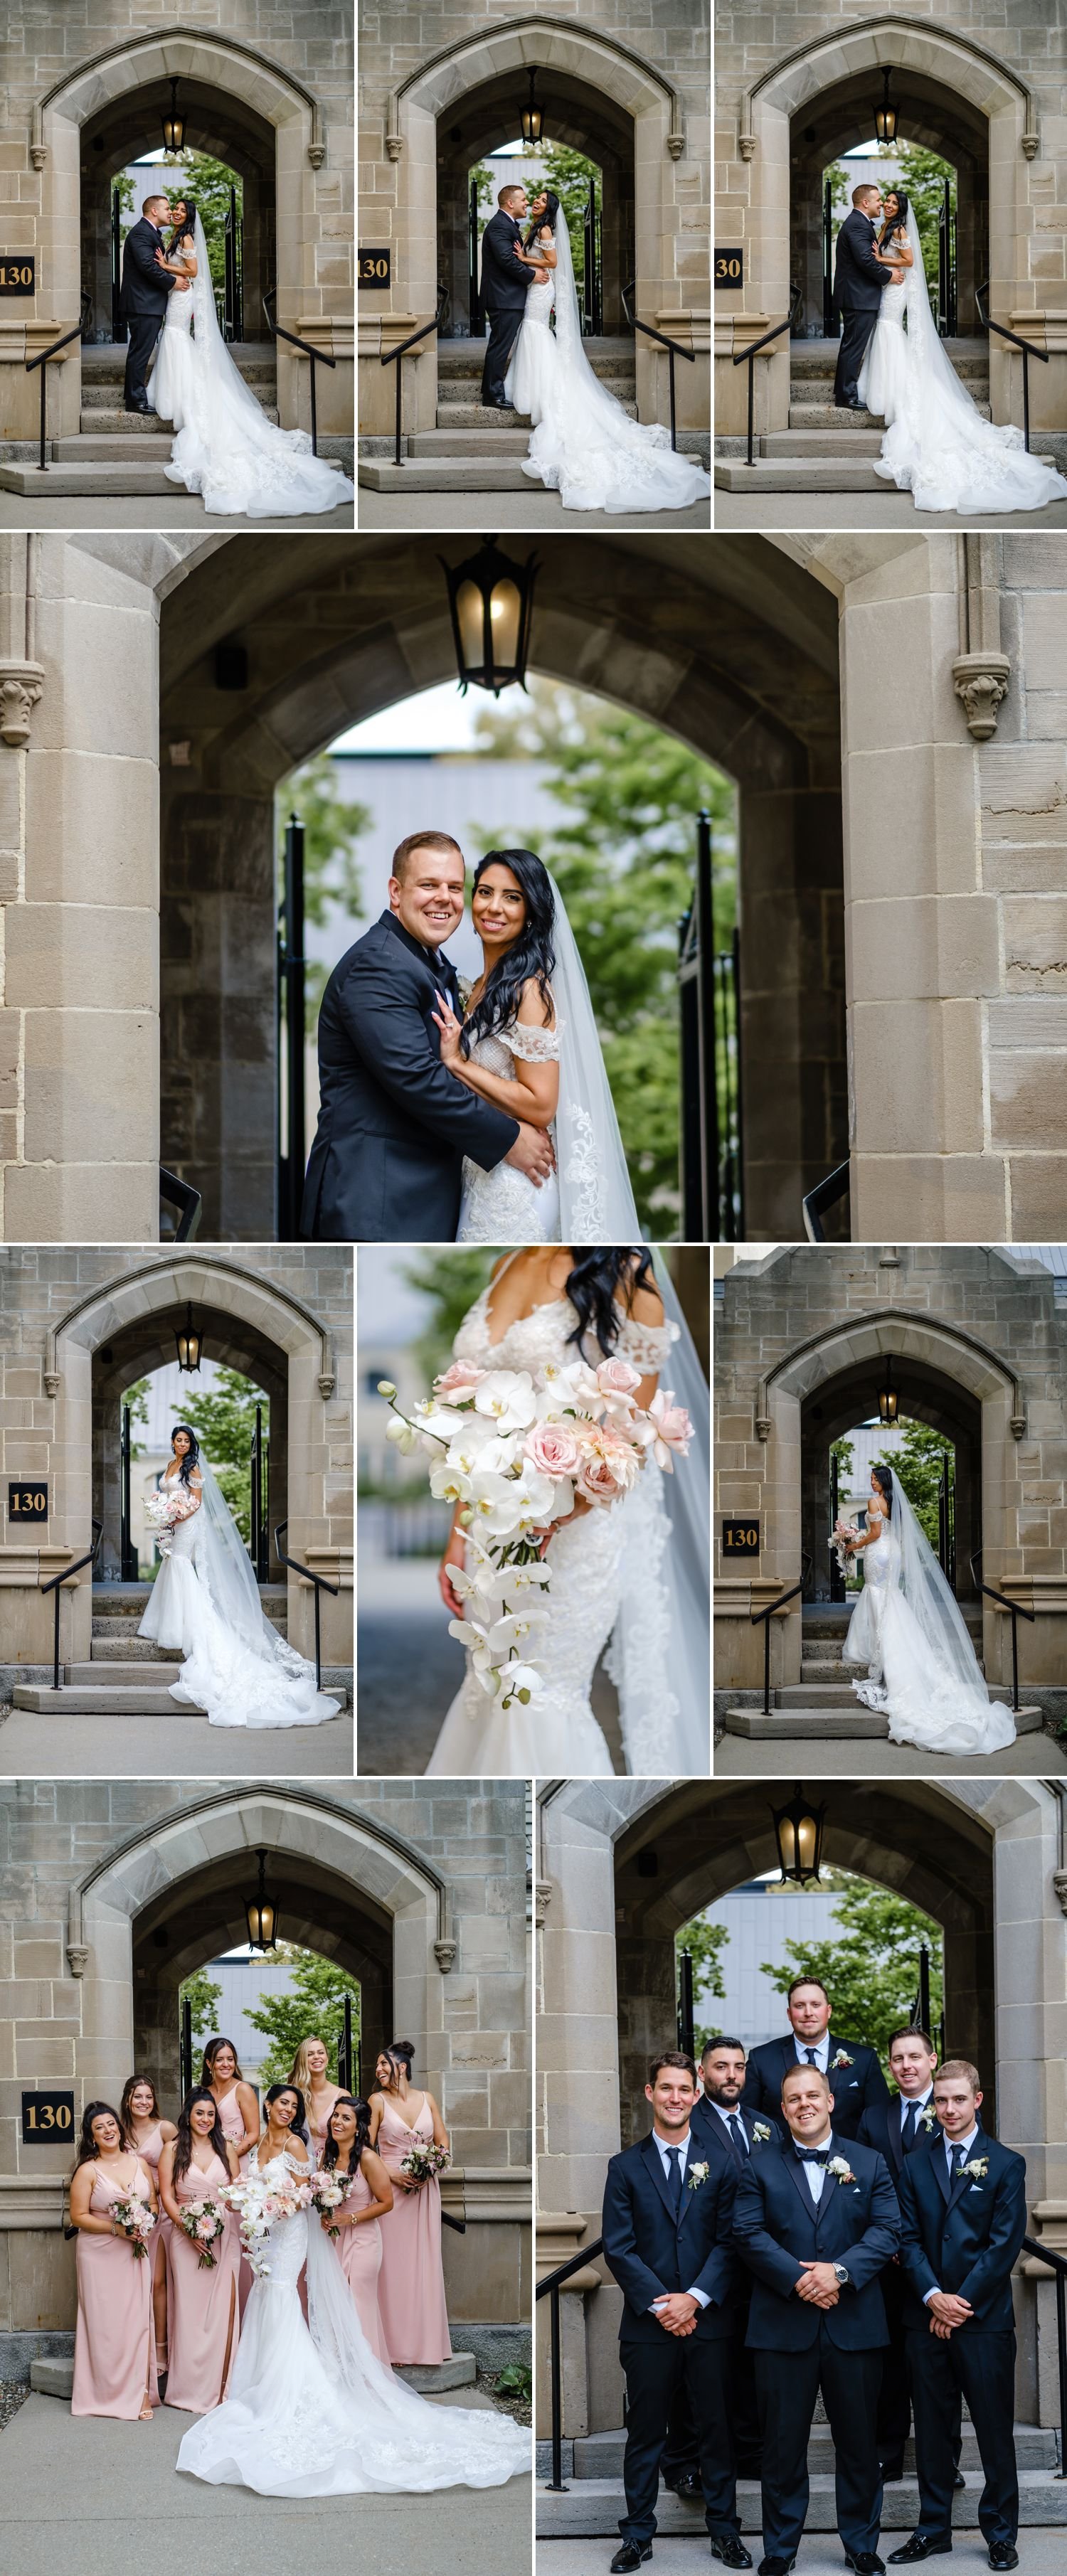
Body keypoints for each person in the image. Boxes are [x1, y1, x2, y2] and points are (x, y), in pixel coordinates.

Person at [426, 1246, 709, 1777]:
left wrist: (562, 1512)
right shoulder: (506, 1261)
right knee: (488, 1677)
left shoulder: (626, 1276)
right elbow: (474, 1427)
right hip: (491, 1525)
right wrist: (458, 1535)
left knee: (544, 1689)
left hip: (575, 1531)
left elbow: (633, 1434)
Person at [176, 2081, 529, 2495]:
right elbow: (265, 2188)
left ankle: (296, 2385)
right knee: (266, 2294)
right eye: (282, 2104)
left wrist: (278, 2204)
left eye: (294, 2105)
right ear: (266, 2105)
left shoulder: (298, 2146)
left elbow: (305, 2195)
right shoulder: (257, 2151)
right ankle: (263, 2380)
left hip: (288, 2235)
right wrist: (250, 2202)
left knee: (283, 2294)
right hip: (265, 2237)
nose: (288, 2110)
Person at [301, 833, 552, 1242]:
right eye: (429, 885)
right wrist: (508, 1138)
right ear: (396, 892)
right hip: (377, 1199)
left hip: (420, 1196)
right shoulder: (378, 965)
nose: (445, 898)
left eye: (454, 887)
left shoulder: (429, 964)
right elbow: (416, 1077)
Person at [732, 2060, 900, 2576]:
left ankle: (861, 2545)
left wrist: (840, 2273)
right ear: (782, 2111)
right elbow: (747, 2232)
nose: (804, 2104)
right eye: (793, 2099)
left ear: (830, 2101)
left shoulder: (869, 2163)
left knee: (858, 2445)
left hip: (855, 2327)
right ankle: (780, 2550)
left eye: (813, 2095)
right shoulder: (756, 2166)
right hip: (782, 2327)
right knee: (782, 2448)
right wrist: (802, 2279)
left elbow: (888, 2229)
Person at [430, 846, 641, 1242]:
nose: (494, 907)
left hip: (518, 1184)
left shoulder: (530, 991)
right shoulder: (477, 988)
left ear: (531, 913)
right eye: (486, 892)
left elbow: (542, 1105)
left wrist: (459, 1064)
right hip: (480, 1173)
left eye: (513, 898)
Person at [600, 2050, 750, 2576]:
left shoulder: (724, 2162)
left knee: (717, 2429)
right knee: (645, 2433)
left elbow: (731, 2241)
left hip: (709, 2323)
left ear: (697, 2094)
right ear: (650, 2093)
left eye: (685, 2089)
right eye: (666, 2088)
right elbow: (619, 2248)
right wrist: (666, 2303)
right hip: (649, 2326)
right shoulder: (624, 2167)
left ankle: (726, 2533)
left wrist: (696, 2299)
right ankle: (637, 2535)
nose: (676, 2097)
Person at [499, 191, 711, 515]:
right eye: (534, 199)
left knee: (535, 329)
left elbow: (553, 263)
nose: (535, 202)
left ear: (549, 207)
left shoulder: (544, 230)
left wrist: (526, 260)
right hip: (535, 287)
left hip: (541, 287)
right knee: (532, 331)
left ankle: (541, 391)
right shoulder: (535, 228)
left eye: (540, 199)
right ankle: (534, 387)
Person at [855, 190, 1067, 513]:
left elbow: (909, 261)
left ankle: (895, 390)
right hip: (887, 287)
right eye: (886, 201)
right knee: (885, 330)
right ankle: (888, 387)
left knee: (888, 328)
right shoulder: (883, 227)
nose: (887, 205)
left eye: (894, 203)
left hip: (895, 289)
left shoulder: (898, 229)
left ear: (901, 209)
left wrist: (883, 260)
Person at [893, 2060, 1026, 2573]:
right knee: (930, 2429)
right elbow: (907, 2237)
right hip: (925, 2320)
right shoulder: (913, 2163)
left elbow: (1002, 2245)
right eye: (940, 2101)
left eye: (957, 2100)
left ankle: (999, 2532)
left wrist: (958, 2304)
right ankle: (932, 2530)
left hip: (983, 2322)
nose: (947, 2109)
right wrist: (931, 2297)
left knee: (994, 2431)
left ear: (978, 2100)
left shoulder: (1007, 2164)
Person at [140, 201, 354, 517]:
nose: (176, 213)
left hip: (182, 295)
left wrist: (167, 268)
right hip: (175, 294)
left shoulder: (185, 239)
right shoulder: (172, 237)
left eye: (182, 211)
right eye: (174, 210)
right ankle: (176, 392)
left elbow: (194, 272)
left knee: (174, 336)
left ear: (190, 217)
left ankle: (180, 397)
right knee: (174, 339)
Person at [138, 1423, 342, 1728]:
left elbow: (195, 1500)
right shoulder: (170, 1465)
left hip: (188, 1523)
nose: (182, 1444)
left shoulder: (192, 1466)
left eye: (186, 1440)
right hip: (173, 1524)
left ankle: (187, 1622)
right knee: (172, 1562)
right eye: (178, 1440)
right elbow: (167, 1494)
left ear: (191, 1443)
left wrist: (176, 1515)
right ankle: (172, 1619)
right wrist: (163, 1513)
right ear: (172, 1442)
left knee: (180, 1561)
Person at [842, 1465, 1016, 1755]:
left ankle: (876, 1646)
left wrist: (852, 1545)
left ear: (883, 1481)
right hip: (892, 1552)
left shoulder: (874, 1502)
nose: (871, 1483)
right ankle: (882, 1642)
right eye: (870, 1479)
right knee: (889, 1595)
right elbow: (886, 1529)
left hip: (878, 1552)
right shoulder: (893, 1502)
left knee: (875, 1592)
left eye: (874, 1478)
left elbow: (874, 1534)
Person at [857, 2027, 952, 2486]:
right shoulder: (874, 2117)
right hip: (886, 2268)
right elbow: (858, 2185)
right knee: (890, 2366)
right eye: (898, 2059)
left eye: (915, 2056)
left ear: (932, 2061)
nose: (906, 2065)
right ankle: (886, 2456)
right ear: (890, 2067)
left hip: (938, 2265)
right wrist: (886, 2243)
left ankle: (945, 2460)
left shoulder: (951, 2110)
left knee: (939, 2368)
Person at [70, 2102, 159, 2420]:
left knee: (136, 2320)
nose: (108, 2131)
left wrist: (146, 2222)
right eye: (100, 2128)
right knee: (105, 2325)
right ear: (92, 2137)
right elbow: (78, 2216)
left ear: (119, 2128)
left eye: (111, 2124)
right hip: (99, 2254)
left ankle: (140, 2393)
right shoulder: (87, 2171)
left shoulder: (140, 2163)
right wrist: (117, 2228)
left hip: (135, 2251)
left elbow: (152, 2202)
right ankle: (103, 2393)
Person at [368, 2043, 452, 2365]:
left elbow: (442, 2141)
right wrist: (391, 2174)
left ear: (401, 2068)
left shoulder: (427, 2099)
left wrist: (430, 2166)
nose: (379, 2070)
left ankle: (424, 2345)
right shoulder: (377, 2101)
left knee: (423, 2264)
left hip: (425, 2192)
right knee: (392, 2266)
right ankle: (392, 2346)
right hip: (391, 2192)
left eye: (383, 2064)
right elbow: (365, 2145)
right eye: (377, 2065)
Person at [158, 2089, 242, 2412]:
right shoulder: (172, 2149)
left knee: (223, 2310)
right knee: (190, 2313)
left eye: (211, 2115)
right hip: (185, 2234)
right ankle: (188, 2389)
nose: (206, 2120)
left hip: (224, 2235)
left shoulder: (227, 2149)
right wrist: (187, 2229)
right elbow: (166, 2194)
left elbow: (235, 2191)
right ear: (188, 2115)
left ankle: (222, 2386)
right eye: (200, 2114)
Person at [742, 1976, 890, 2139]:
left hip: (851, 2161)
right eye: (800, 2006)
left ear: (828, 2011)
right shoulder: (762, 2059)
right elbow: (747, 2119)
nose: (808, 2013)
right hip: (782, 2161)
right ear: (789, 2014)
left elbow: (880, 2121)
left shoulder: (863, 2059)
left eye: (815, 2005)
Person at [319, 2094, 394, 2363]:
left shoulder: (368, 2159)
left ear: (359, 2127)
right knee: (334, 2306)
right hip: (334, 2239)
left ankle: (367, 2374)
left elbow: (387, 2203)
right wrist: (325, 2216)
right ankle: (340, 2372)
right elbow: (323, 2198)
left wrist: (349, 2220)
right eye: (336, 2115)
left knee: (359, 2305)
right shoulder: (327, 2157)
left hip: (363, 2239)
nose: (337, 2122)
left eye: (345, 2118)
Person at [119, 2075, 177, 2387]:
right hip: (128, 2216)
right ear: (128, 2098)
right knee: (131, 2284)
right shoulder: (118, 2129)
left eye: (149, 2097)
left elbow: (184, 2162)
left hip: (161, 2214)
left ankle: (162, 2353)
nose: (144, 2102)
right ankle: (132, 2349)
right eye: (138, 2096)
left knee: (157, 2283)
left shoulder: (165, 2129)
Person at [832, 183, 898, 410]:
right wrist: (889, 276)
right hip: (857, 297)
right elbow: (866, 260)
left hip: (856, 296)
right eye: (878, 199)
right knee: (854, 347)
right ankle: (846, 396)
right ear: (865, 203)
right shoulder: (858, 225)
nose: (881, 203)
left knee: (851, 345)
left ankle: (843, 392)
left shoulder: (857, 223)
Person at [119, 191, 177, 415]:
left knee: (140, 351)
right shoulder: (141, 233)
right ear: (154, 211)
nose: (170, 212)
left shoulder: (149, 233)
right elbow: (148, 266)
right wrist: (173, 282)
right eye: (167, 208)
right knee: (140, 352)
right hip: (143, 304)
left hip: (146, 303)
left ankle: (133, 396)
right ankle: (135, 401)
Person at [479, 183, 534, 408]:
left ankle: (493, 391)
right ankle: (492, 395)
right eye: (523, 200)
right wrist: (532, 276)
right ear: (510, 203)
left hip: (507, 298)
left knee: (501, 345)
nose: (527, 203)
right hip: (503, 299)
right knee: (500, 346)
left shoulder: (507, 224)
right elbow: (507, 261)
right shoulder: (500, 226)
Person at [288, 2034, 346, 2164]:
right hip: (296, 2165)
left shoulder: (342, 2096)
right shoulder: (291, 2095)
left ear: (327, 2058)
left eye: (321, 2052)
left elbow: (350, 2140)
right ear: (303, 2060)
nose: (316, 2057)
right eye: (310, 2054)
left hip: (331, 2166)